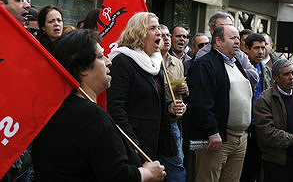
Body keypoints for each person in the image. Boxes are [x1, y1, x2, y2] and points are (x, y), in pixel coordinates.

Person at [31, 29, 166, 181]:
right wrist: (147, 172)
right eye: (101, 56)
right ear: (83, 69)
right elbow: (117, 176)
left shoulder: (57, 108)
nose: (109, 61)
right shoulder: (90, 116)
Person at [107, 12, 183, 161]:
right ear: (139, 33)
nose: (159, 32)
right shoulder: (122, 61)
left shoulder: (155, 62)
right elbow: (116, 107)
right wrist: (131, 143)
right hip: (133, 144)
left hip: (155, 142)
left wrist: (169, 107)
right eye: (153, 28)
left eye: (158, 28)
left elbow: (153, 98)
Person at [187, 25, 252, 182]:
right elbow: (200, 102)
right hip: (217, 139)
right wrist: (211, 131)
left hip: (240, 138)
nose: (238, 41)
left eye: (238, 38)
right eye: (232, 38)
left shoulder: (236, 63)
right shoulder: (204, 64)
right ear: (218, 41)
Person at [0, 0, 32, 182]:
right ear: (2, 6)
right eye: (20, 0)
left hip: (21, 140)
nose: (27, 5)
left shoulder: (28, 42)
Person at [196, 11, 259, 88]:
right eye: (222, 26)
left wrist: (235, 72)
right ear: (212, 30)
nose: (228, 29)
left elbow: (254, 77)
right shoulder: (203, 54)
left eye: (230, 25)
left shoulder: (239, 54)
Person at [159, 24, 188, 182]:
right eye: (161, 35)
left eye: (167, 35)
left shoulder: (177, 63)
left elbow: (185, 91)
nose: (165, 39)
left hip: (175, 118)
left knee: (176, 162)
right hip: (157, 117)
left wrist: (184, 88)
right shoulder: (150, 61)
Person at [241, 33, 268, 182]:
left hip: (260, 126)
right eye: (257, 48)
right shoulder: (240, 69)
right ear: (246, 48)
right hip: (244, 126)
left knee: (257, 170)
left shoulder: (267, 71)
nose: (261, 52)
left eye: (263, 48)